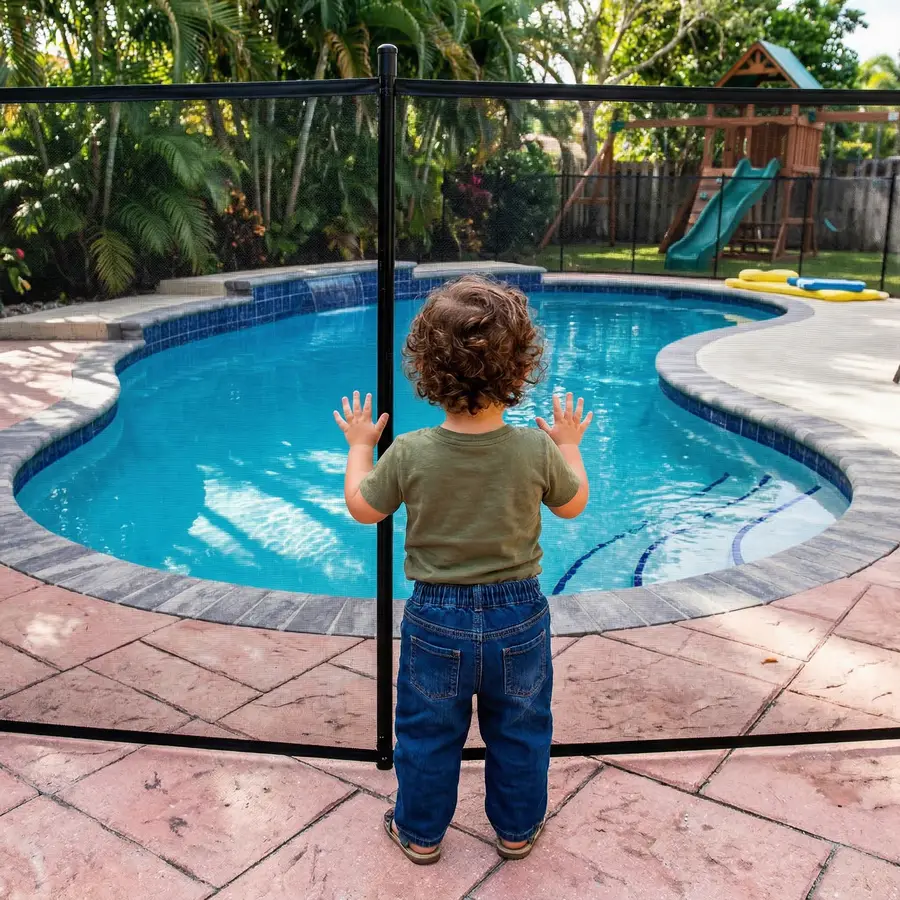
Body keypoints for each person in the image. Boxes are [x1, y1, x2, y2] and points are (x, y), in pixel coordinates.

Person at [334, 275, 591, 865]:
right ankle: (517, 832)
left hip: (437, 618)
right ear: (521, 366)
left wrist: (357, 446)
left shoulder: (411, 452)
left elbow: (361, 508)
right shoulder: (535, 449)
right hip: (520, 615)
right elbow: (574, 505)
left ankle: (421, 835)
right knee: (522, 729)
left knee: (428, 732)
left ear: (426, 366)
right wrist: (570, 442)